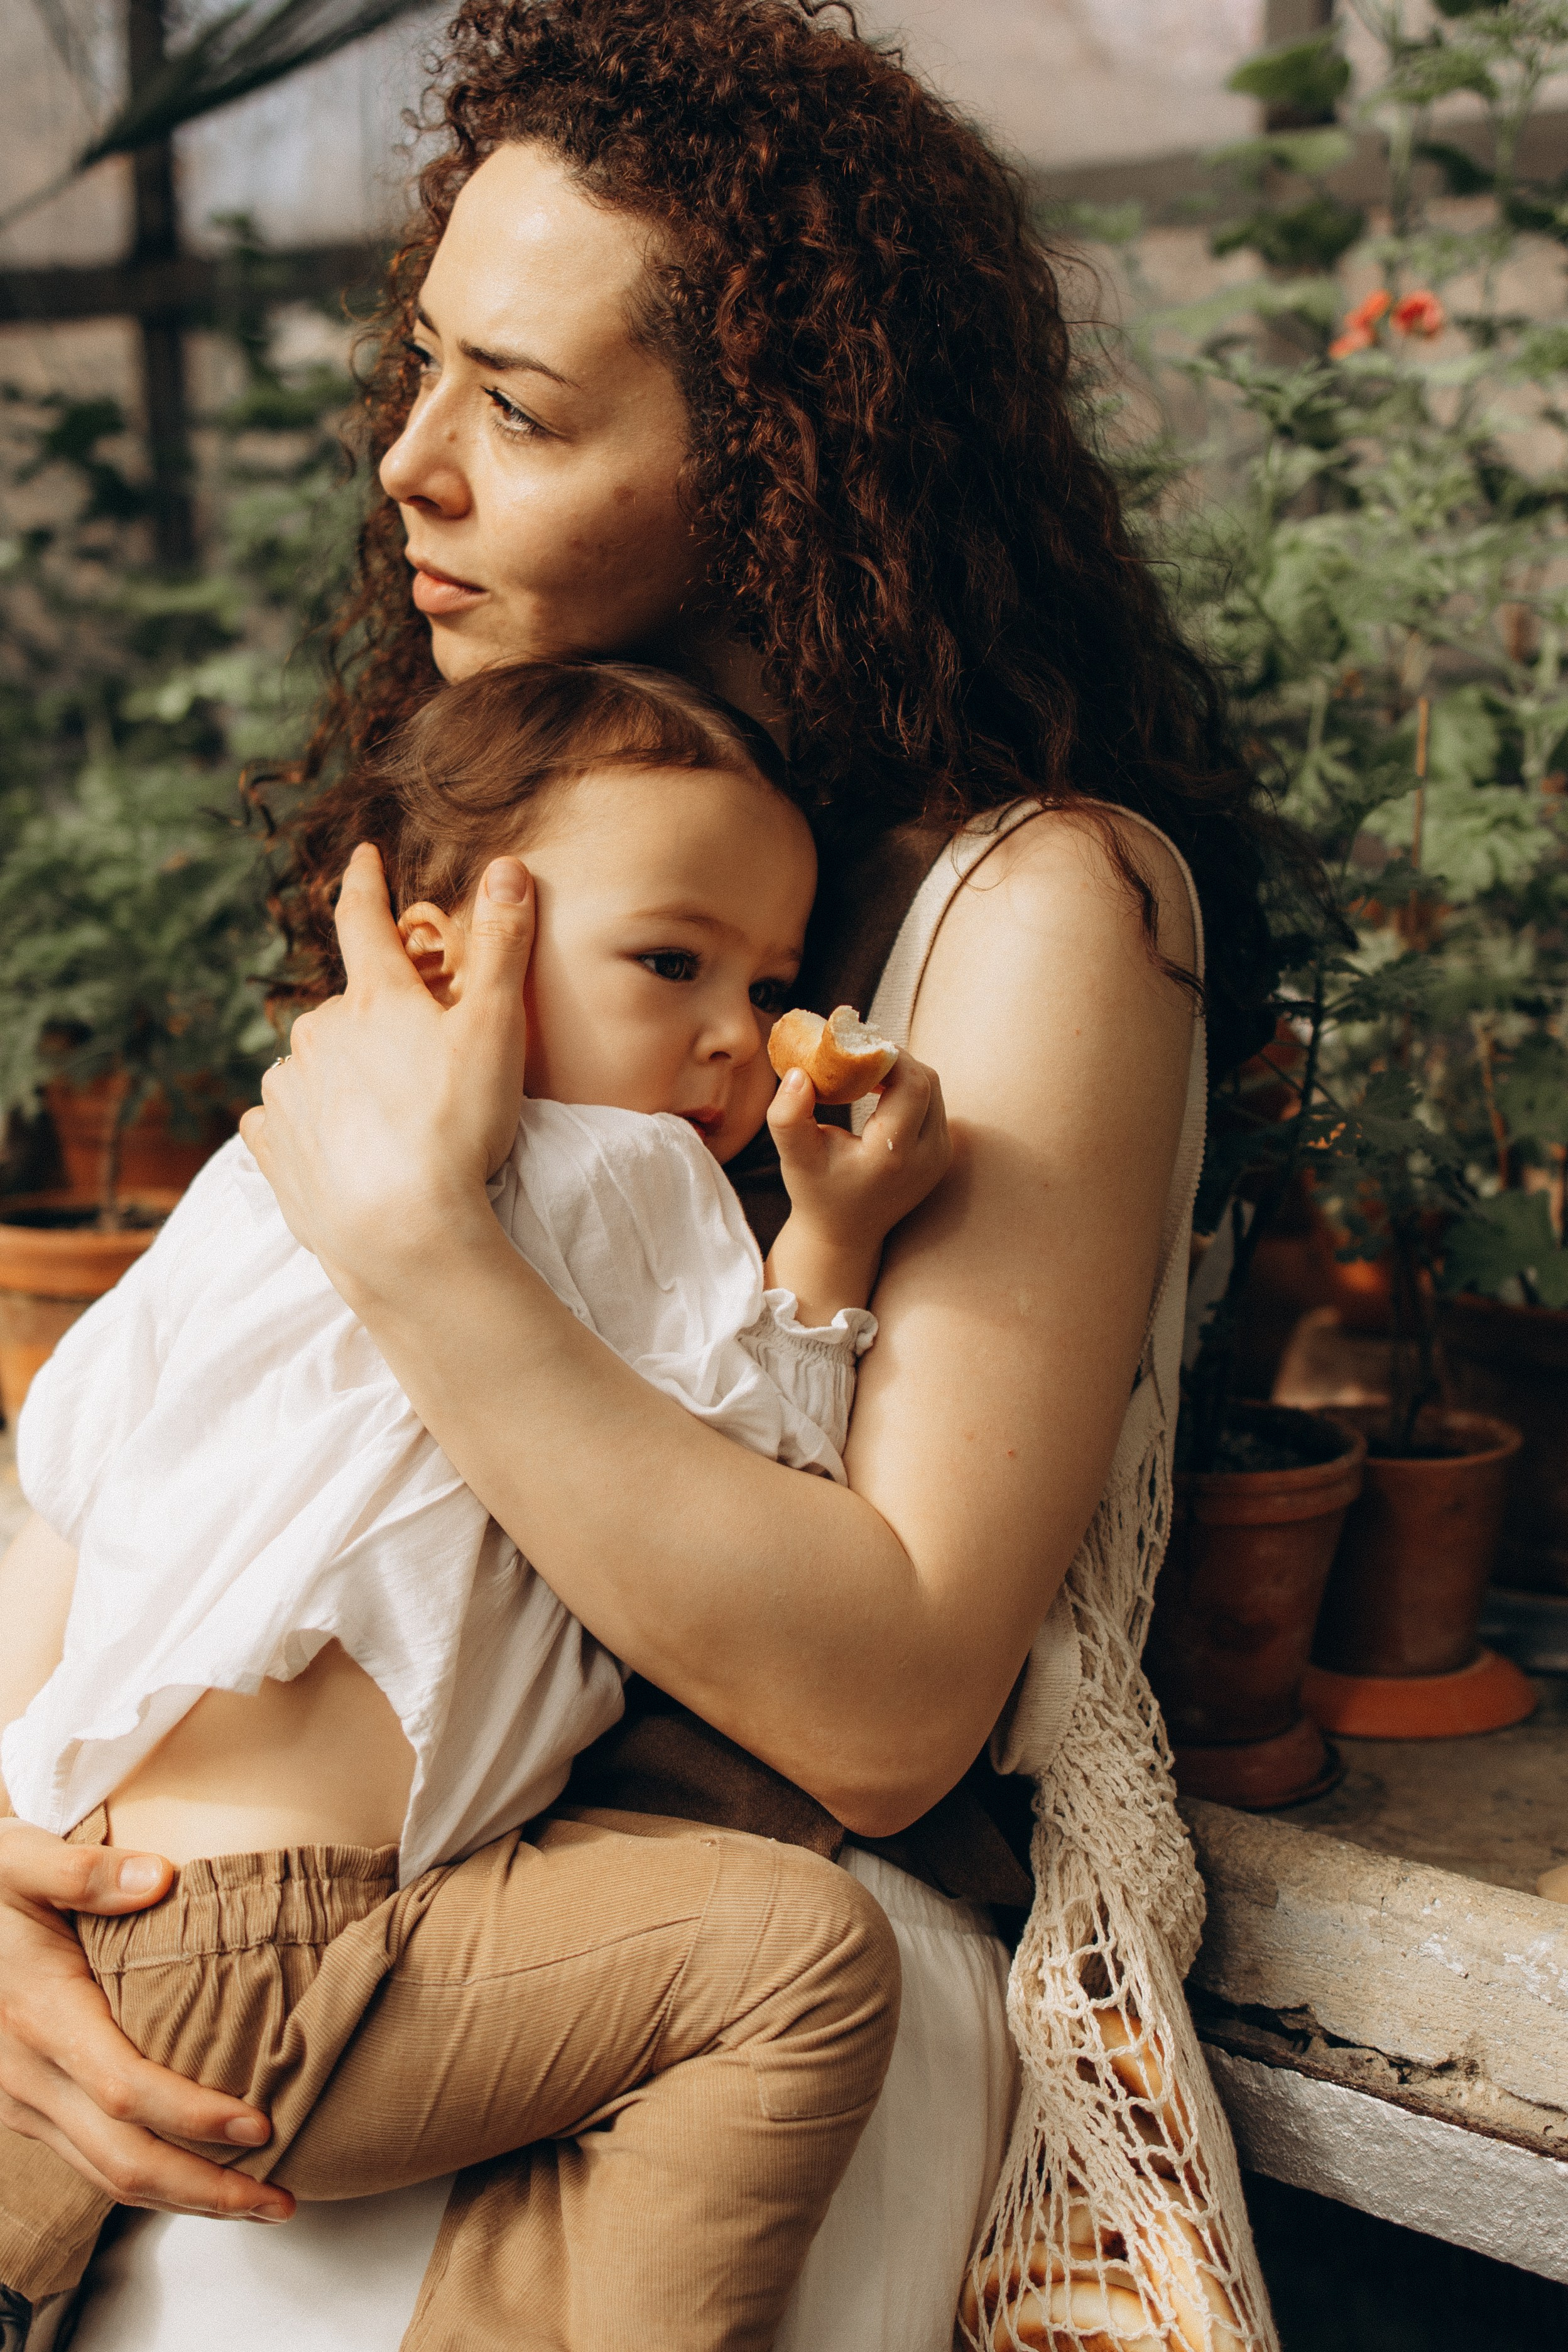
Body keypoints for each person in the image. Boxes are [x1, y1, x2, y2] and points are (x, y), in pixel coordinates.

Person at [0, 6, 1297, 2348]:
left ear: (788, 458)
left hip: (712, 2020)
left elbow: (889, 1702)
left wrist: (417, 1243)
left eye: (521, 406)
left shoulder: (1043, 909)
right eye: (424, 373)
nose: (409, 464)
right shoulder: (537, 842)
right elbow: (172, 1420)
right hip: (331, 1934)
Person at [0, 655, 952, 2347]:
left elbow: (67, 1472)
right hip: (300, 1954)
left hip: (84, 1897)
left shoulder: (253, 1175)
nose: (735, 1037)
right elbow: (776, 1471)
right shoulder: (626, 1173)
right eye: (671, 962)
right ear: (449, 958)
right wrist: (836, 1235)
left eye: (769, 982)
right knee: (795, 1961)